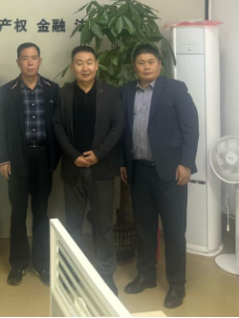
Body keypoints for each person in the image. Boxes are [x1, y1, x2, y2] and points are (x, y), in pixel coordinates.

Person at [120, 44, 199, 310]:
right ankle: (146, 275)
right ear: (134, 66)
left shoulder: (175, 90)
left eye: (151, 61)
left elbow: (191, 129)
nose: (146, 66)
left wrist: (186, 163)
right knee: (144, 227)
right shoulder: (126, 92)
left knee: (174, 231)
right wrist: (123, 163)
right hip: (138, 170)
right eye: (141, 62)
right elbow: (123, 131)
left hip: (170, 172)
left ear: (159, 64)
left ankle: (176, 284)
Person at [53, 46, 124, 296]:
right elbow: (58, 126)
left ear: (97, 64)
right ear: (72, 67)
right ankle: (72, 273)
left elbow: (118, 126)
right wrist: (74, 155)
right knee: (73, 224)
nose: (85, 67)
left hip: (101, 169)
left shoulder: (110, 92)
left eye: (90, 62)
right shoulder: (64, 93)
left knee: (104, 224)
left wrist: (97, 155)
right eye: (79, 63)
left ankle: (106, 274)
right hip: (73, 168)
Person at [0, 43, 60, 287]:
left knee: (41, 213)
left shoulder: (53, 89)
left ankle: (42, 263)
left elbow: (59, 126)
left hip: (43, 157)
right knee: (18, 212)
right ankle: (19, 263)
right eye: (25, 58)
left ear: (40, 61)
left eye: (34, 58)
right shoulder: (6, 91)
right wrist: (3, 159)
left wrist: (55, 159)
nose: (30, 62)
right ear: (18, 62)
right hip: (17, 158)